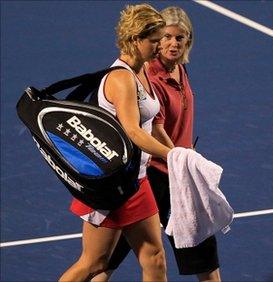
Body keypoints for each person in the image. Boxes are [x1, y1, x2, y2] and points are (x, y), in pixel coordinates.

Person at [92, 6, 222, 282]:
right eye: (165, 38)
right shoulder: (143, 77)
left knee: (190, 254)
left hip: (174, 172)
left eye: (180, 38)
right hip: (154, 175)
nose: (172, 43)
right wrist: (179, 156)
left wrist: (183, 158)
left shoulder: (180, 70)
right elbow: (150, 128)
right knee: (99, 262)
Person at [58, 3, 171, 281]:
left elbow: (151, 124)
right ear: (135, 39)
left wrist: (178, 152)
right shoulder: (121, 78)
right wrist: (175, 157)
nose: (160, 47)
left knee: (154, 258)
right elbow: (133, 131)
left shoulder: (142, 71)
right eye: (154, 41)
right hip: (112, 186)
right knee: (93, 263)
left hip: (137, 181)